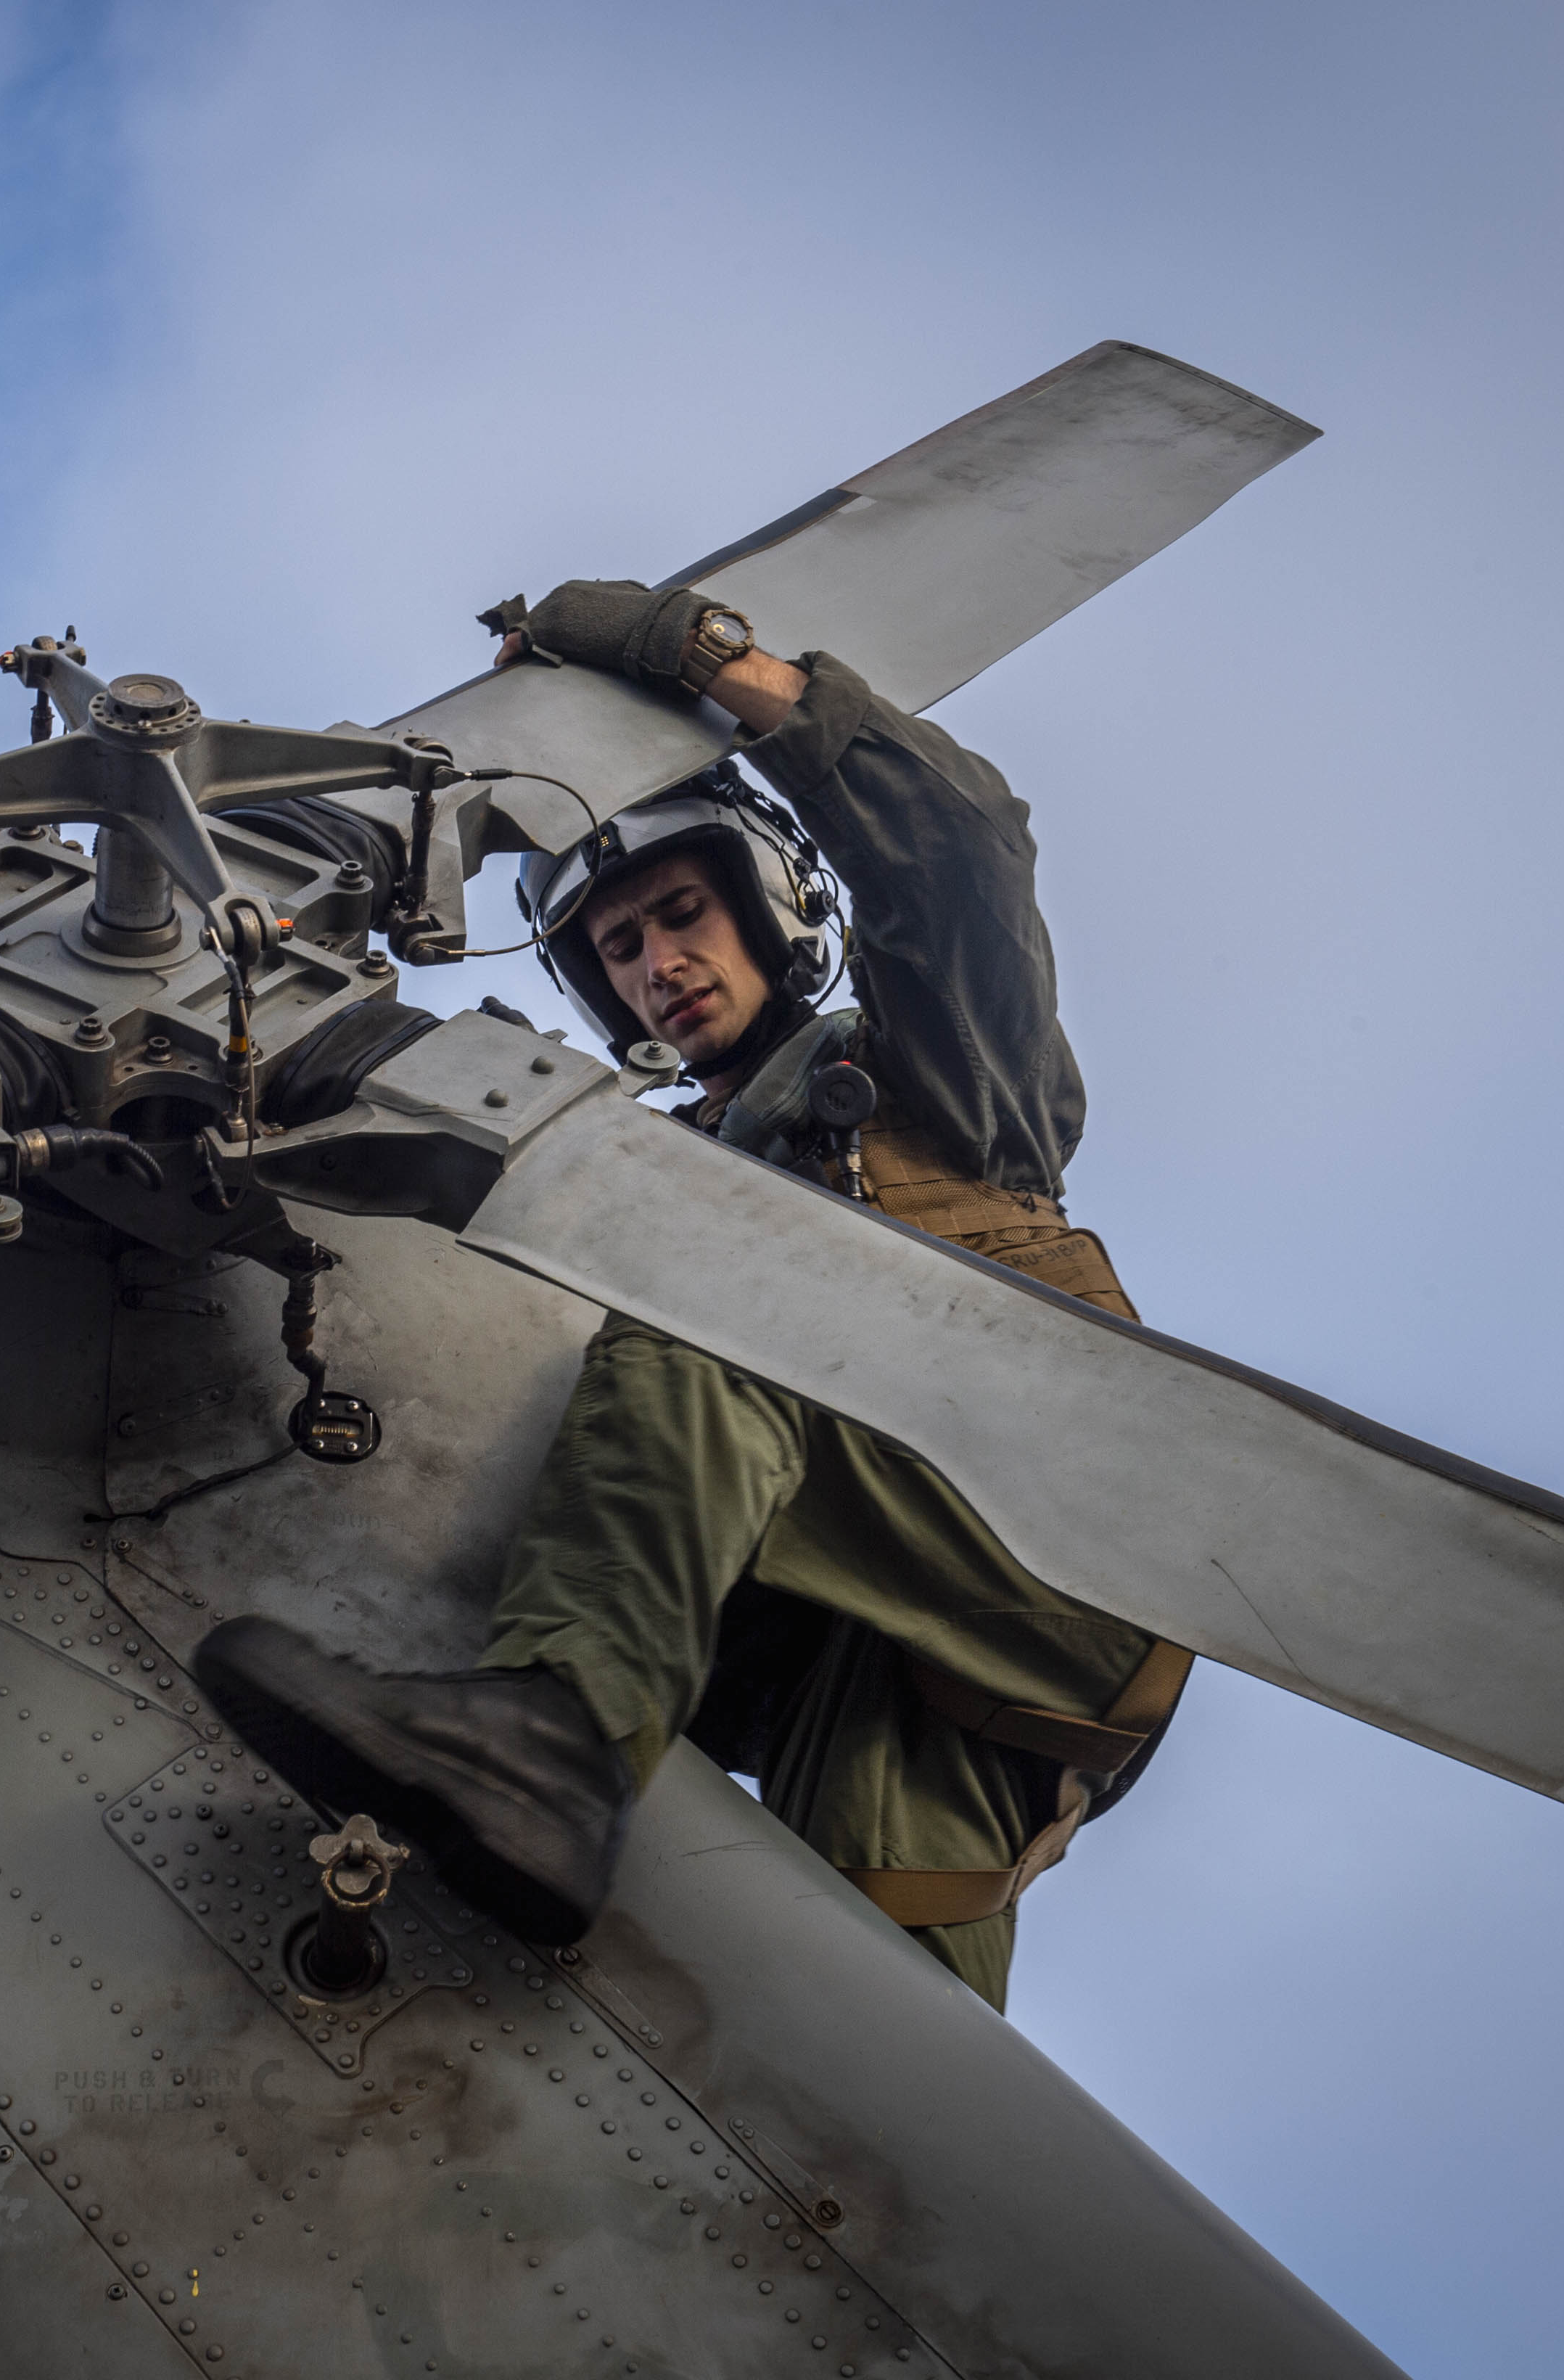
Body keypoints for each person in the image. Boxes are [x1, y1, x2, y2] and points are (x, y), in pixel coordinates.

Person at [199, 579, 1188, 2012]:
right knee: (857, 2046)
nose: (656, 964)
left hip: (1052, 1531)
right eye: (617, 948)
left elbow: (961, 850)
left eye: (678, 915)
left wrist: (703, 661)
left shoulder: (925, 1074)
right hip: (904, 1653)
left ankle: (546, 1742)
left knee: (717, 1292)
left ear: (770, 911)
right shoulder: (632, 1170)